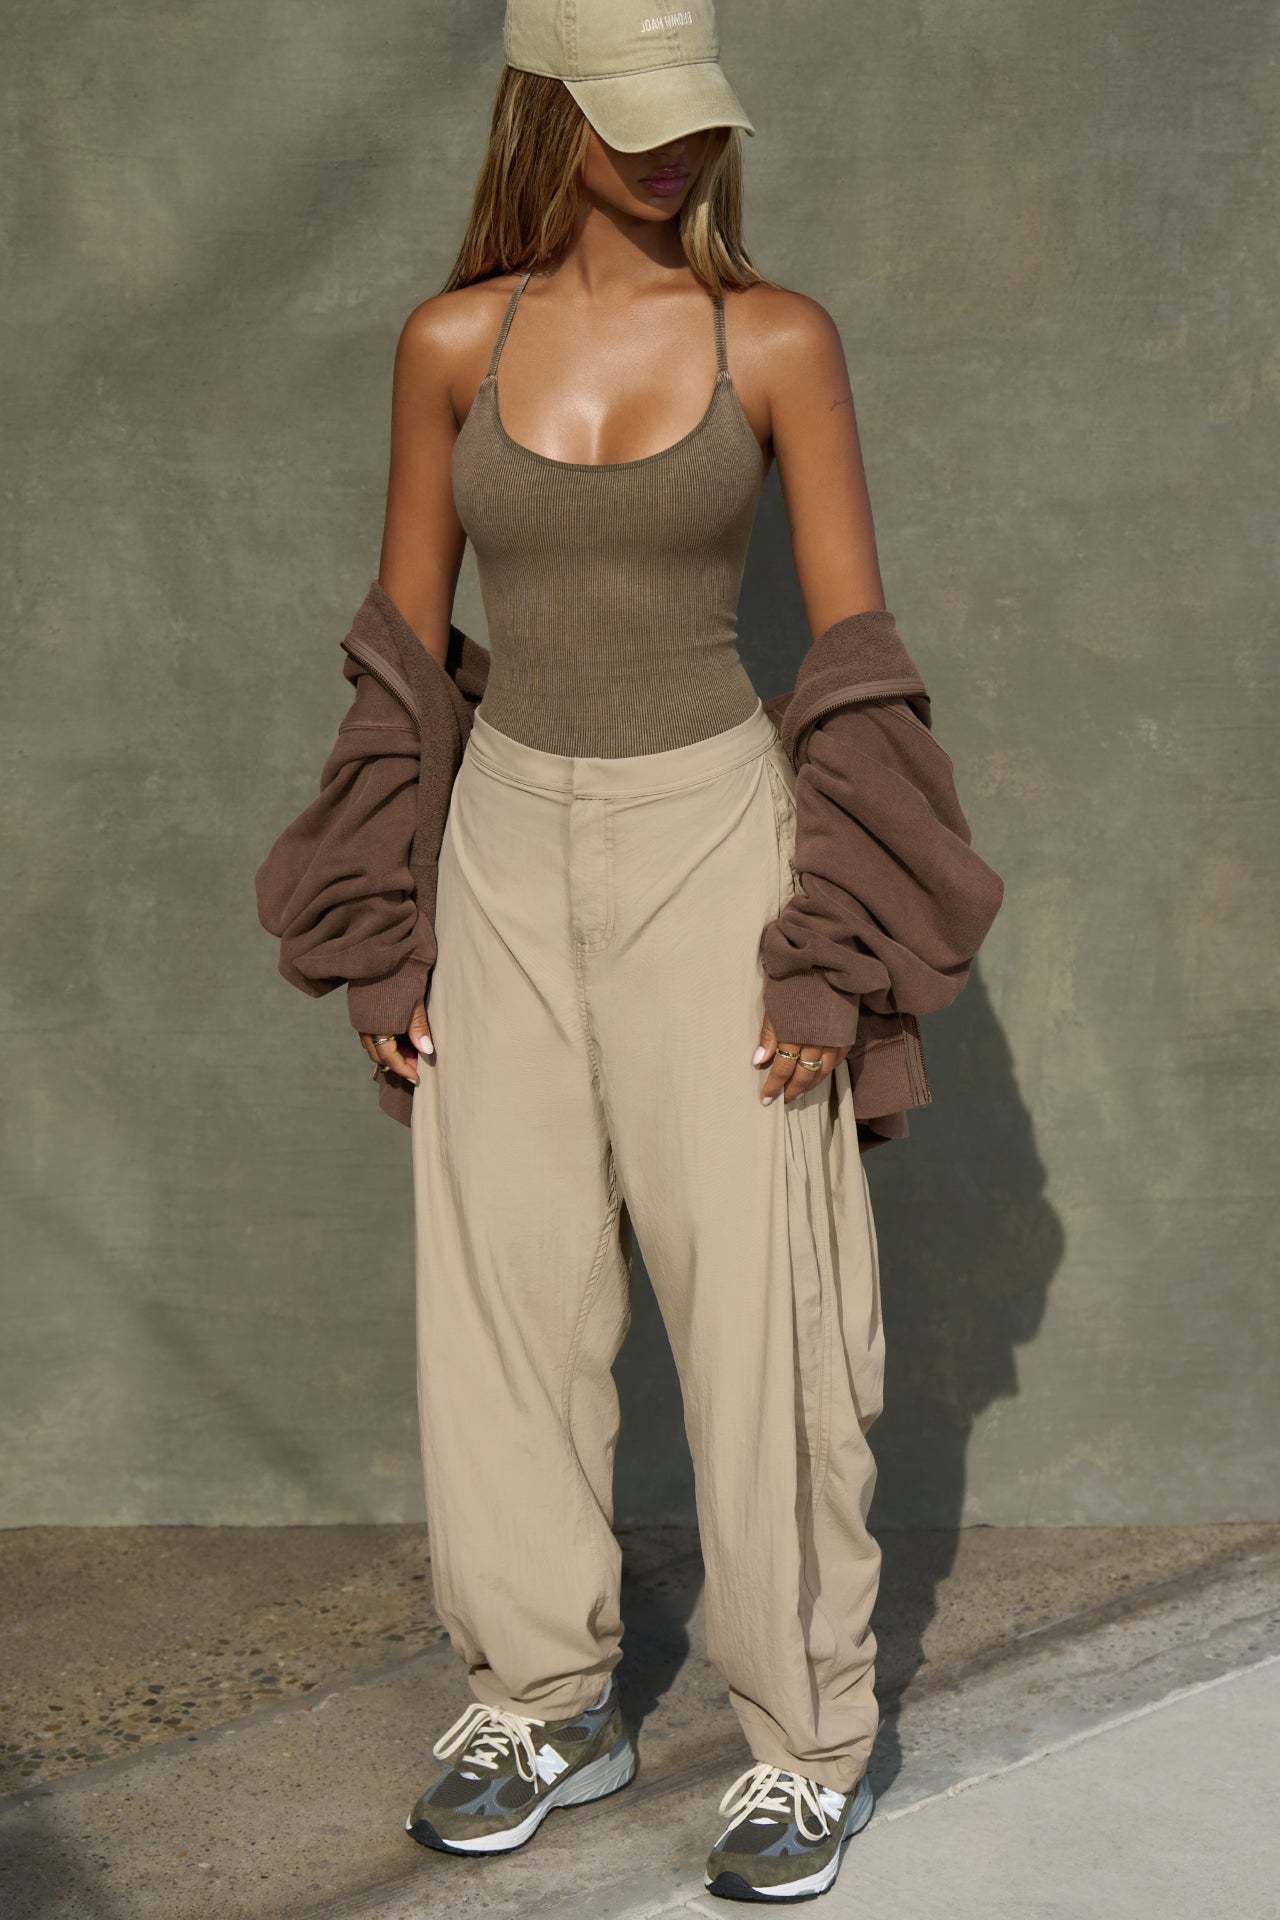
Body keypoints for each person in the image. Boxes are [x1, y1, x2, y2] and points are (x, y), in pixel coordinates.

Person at [255, 0, 1004, 1902]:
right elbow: (403, 662)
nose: (672, 151)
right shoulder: (450, 346)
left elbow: (851, 659)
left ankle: (806, 1740)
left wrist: (829, 951)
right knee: (500, 1305)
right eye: (632, 115)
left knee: (766, 1311)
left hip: (714, 844)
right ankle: (544, 1695)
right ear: (548, 106)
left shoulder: (778, 341)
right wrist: (384, 931)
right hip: (500, 845)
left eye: (694, 118)